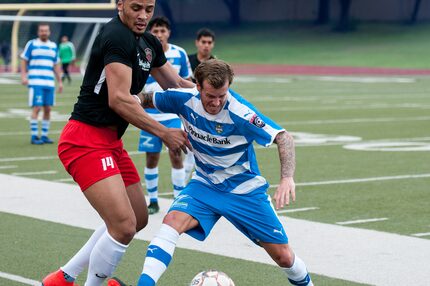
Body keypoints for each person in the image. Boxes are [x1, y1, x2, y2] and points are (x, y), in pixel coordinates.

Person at [109, 59, 313, 286]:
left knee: (283, 256)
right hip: (204, 184)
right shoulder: (183, 99)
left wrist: (286, 178)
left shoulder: (241, 112)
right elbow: (148, 98)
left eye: (222, 96)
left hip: (243, 190)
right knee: (171, 222)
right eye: (210, 96)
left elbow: (283, 137)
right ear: (197, 87)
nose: (216, 102)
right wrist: (133, 100)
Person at [41, 0, 194, 285]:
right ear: (120, 4)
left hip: (110, 141)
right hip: (84, 139)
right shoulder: (115, 36)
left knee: (138, 217)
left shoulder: (148, 42)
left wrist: (213, 92)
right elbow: (120, 99)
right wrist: (164, 132)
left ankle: (63, 277)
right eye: (137, 8)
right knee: (123, 226)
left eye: (149, 9)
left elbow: (175, 84)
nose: (143, 16)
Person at [138, 16, 192, 215]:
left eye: (163, 31)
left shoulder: (179, 53)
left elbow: (185, 80)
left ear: (168, 33)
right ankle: (153, 201)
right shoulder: (143, 53)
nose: (159, 34)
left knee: (175, 155)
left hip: (172, 115)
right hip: (149, 116)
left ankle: (178, 202)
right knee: (151, 158)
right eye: (155, 31)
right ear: (150, 33)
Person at [20, 23, 63, 145]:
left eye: (46, 31)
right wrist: (23, 76)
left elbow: (56, 65)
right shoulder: (32, 44)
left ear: (49, 32)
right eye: (41, 31)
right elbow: (24, 60)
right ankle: (34, 136)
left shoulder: (53, 46)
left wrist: (60, 81)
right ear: (38, 32)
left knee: (48, 109)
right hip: (35, 82)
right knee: (37, 108)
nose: (44, 32)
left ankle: (44, 136)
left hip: (49, 82)